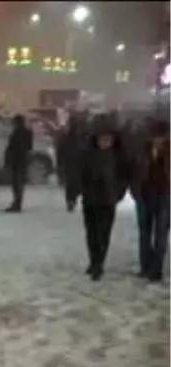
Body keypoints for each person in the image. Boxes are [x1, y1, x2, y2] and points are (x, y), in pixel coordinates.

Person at [79, 116, 130, 281]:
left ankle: (99, 263)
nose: (105, 142)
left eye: (108, 139)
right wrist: (80, 190)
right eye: (102, 139)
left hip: (108, 200)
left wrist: (119, 193)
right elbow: (80, 174)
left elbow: (124, 176)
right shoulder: (88, 154)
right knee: (92, 233)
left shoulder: (118, 155)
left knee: (104, 233)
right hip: (90, 199)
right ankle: (94, 261)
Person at [131, 119, 171, 281]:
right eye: (154, 137)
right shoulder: (142, 151)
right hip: (144, 195)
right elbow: (134, 172)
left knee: (161, 234)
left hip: (166, 196)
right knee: (145, 233)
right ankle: (145, 267)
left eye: (160, 137)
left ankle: (156, 269)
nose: (157, 140)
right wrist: (135, 192)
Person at [4, 114, 33, 212]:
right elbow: (29, 147)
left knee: (16, 183)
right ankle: (18, 202)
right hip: (23, 160)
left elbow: (11, 147)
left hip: (16, 160)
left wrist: (8, 159)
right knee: (20, 183)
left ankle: (17, 203)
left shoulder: (16, 133)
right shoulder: (28, 132)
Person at [59, 113, 86, 212]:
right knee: (76, 182)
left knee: (70, 183)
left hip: (70, 162)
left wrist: (60, 163)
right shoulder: (81, 136)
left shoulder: (66, 137)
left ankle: (71, 200)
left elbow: (60, 150)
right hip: (76, 162)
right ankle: (72, 200)